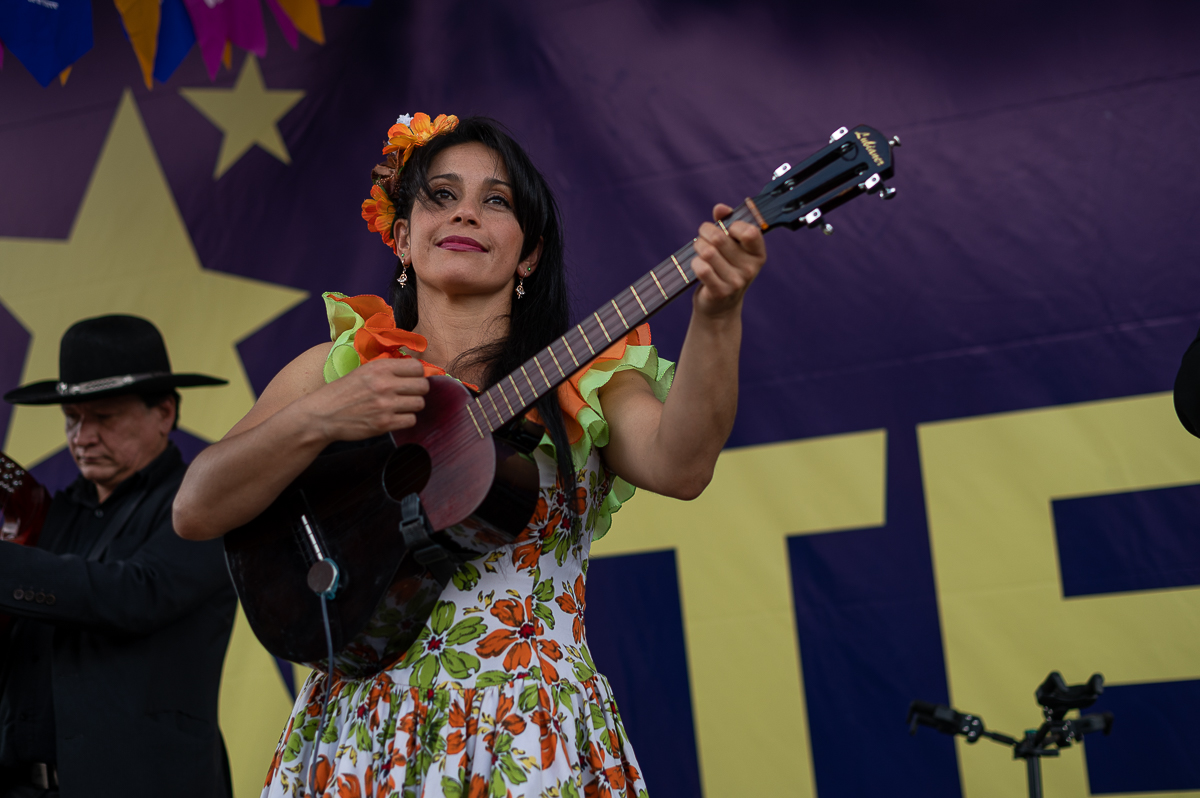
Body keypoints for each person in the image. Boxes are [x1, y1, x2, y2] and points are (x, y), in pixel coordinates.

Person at [173, 113, 767, 797]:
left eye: (497, 200)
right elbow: (196, 507)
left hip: (525, 726)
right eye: (442, 195)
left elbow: (682, 467)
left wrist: (717, 314)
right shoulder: (339, 368)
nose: (465, 213)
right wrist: (321, 415)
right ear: (403, 237)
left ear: (529, 253)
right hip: (363, 733)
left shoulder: (584, 374)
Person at [0, 315, 238, 798]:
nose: (81, 436)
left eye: (103, 418)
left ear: (164, 413)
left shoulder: (204, 504)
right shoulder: (50, 515)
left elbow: (136, 594)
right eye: (72, 418)